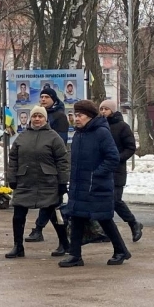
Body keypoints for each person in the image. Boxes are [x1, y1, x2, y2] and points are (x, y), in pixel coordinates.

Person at [59, 100, 131, 268]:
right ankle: (75, 255)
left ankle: (121, 250)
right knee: (76, 218)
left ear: (90, 116)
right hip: (79, 186)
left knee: (104, 219)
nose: (76, 118)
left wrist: (96, 175)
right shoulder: (78, 134)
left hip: (96, 185)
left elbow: (113, 158)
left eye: (80, 115)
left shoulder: (101, 133)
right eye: (75, 115)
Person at [5, 106, 70, 258]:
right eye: (34, 116)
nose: (37, 119)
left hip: (48, 182)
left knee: (55, 215)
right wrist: (12, 178)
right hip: (25, 182)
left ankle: (64, 244)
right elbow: (13, 158)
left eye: (40, 116)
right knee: (18, 215)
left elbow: (62, 161)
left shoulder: (54, 137)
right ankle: (18, 247)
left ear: (45, 119)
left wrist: (62, 183)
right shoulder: (22, 137)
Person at [25, 86, 70, 243]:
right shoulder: (36, 117)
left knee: (52, 201)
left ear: (53, 99)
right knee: (50, 202)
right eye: (41, 97)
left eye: (46, 97)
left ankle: (40, 229)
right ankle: (62, 239)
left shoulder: (60, 116)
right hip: (37, 167)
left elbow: (61, 143)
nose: (43, 99)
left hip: (52, 165)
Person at [100, 100, 143, 242]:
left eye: (106, 109)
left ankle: (133, 223)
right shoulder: (99, 126)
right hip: (102, 169)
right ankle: (104, 231)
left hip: (117, 170)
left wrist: (117, 158)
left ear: (112, 110)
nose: (103, 112)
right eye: (101, 109)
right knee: (102, 201)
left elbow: (130, 147)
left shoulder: (122, 127)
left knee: (115, 200)